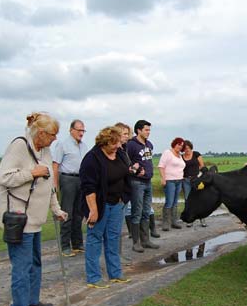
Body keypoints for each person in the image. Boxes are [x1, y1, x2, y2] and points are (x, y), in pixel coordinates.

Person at [0, 112, 68, 306]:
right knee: (22, 267)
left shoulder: (45, 150)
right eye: (53, 135)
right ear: (41, 133)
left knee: (36, 263)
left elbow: (49, 185)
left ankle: (32, 301)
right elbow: (3, 178)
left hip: (35, 219)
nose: (55, 139)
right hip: (18, 219)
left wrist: (56, 209)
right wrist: (31, 173)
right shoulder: (19, 146)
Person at [80, 126, 132, 289]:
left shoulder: (121, 154)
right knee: (95, 239)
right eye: (114, 144)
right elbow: (89, 188)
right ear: (105, 142)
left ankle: (115, 274)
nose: (118, 146)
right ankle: (94, 278)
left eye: (119, 143)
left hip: (117, 203)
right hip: (100, 204)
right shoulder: (92, 159)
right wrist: (93, 211)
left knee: (113, 238)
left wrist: (124, 197)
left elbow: (126, 174)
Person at [52, 119, 88, 258]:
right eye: (79, 130)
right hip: (67, 178)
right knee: (67, 212)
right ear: (71, 130)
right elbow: (55, 164)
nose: (81, 133)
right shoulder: (63, 144)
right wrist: (55, 183)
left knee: (79, 212)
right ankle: (65, 245)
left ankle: (77, 243)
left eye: (83, 130)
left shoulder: (84, 146)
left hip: (81, 179)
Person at [126, 120, 160, 252]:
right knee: (137, 212)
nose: (148, 132)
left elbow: (148, 161)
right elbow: (127, 164)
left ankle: (146, 240)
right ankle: (136, 243)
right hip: (137, 183)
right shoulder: (131, 145)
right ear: (139, 130)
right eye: (146, 130)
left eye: (149, 130)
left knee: (146, 211)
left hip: (148, 182)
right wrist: (137, 170)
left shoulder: (149, 145)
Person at [158, 137, 186, 231]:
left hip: (179, 180)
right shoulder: (167, 153)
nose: (180, 147)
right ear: (174, 144)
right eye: (178, 144)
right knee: (169, 202)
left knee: (175, 202)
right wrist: (163, 178)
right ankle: (165, 223)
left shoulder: (180, 155)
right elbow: (161, 166)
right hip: (170, 181)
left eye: (182, 146)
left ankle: (174, 222)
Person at [181, 140, 207, 228]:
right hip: (185, 181)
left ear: (190, 147)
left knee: (199, 199)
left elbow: (202, 166)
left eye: (188, 148)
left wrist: (200, 177)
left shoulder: (196, 154)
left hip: (196, 179)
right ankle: (190, 220)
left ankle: (202, 218)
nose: (187, 150)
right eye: (185, 148)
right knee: (188, 200)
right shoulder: (181, 157)